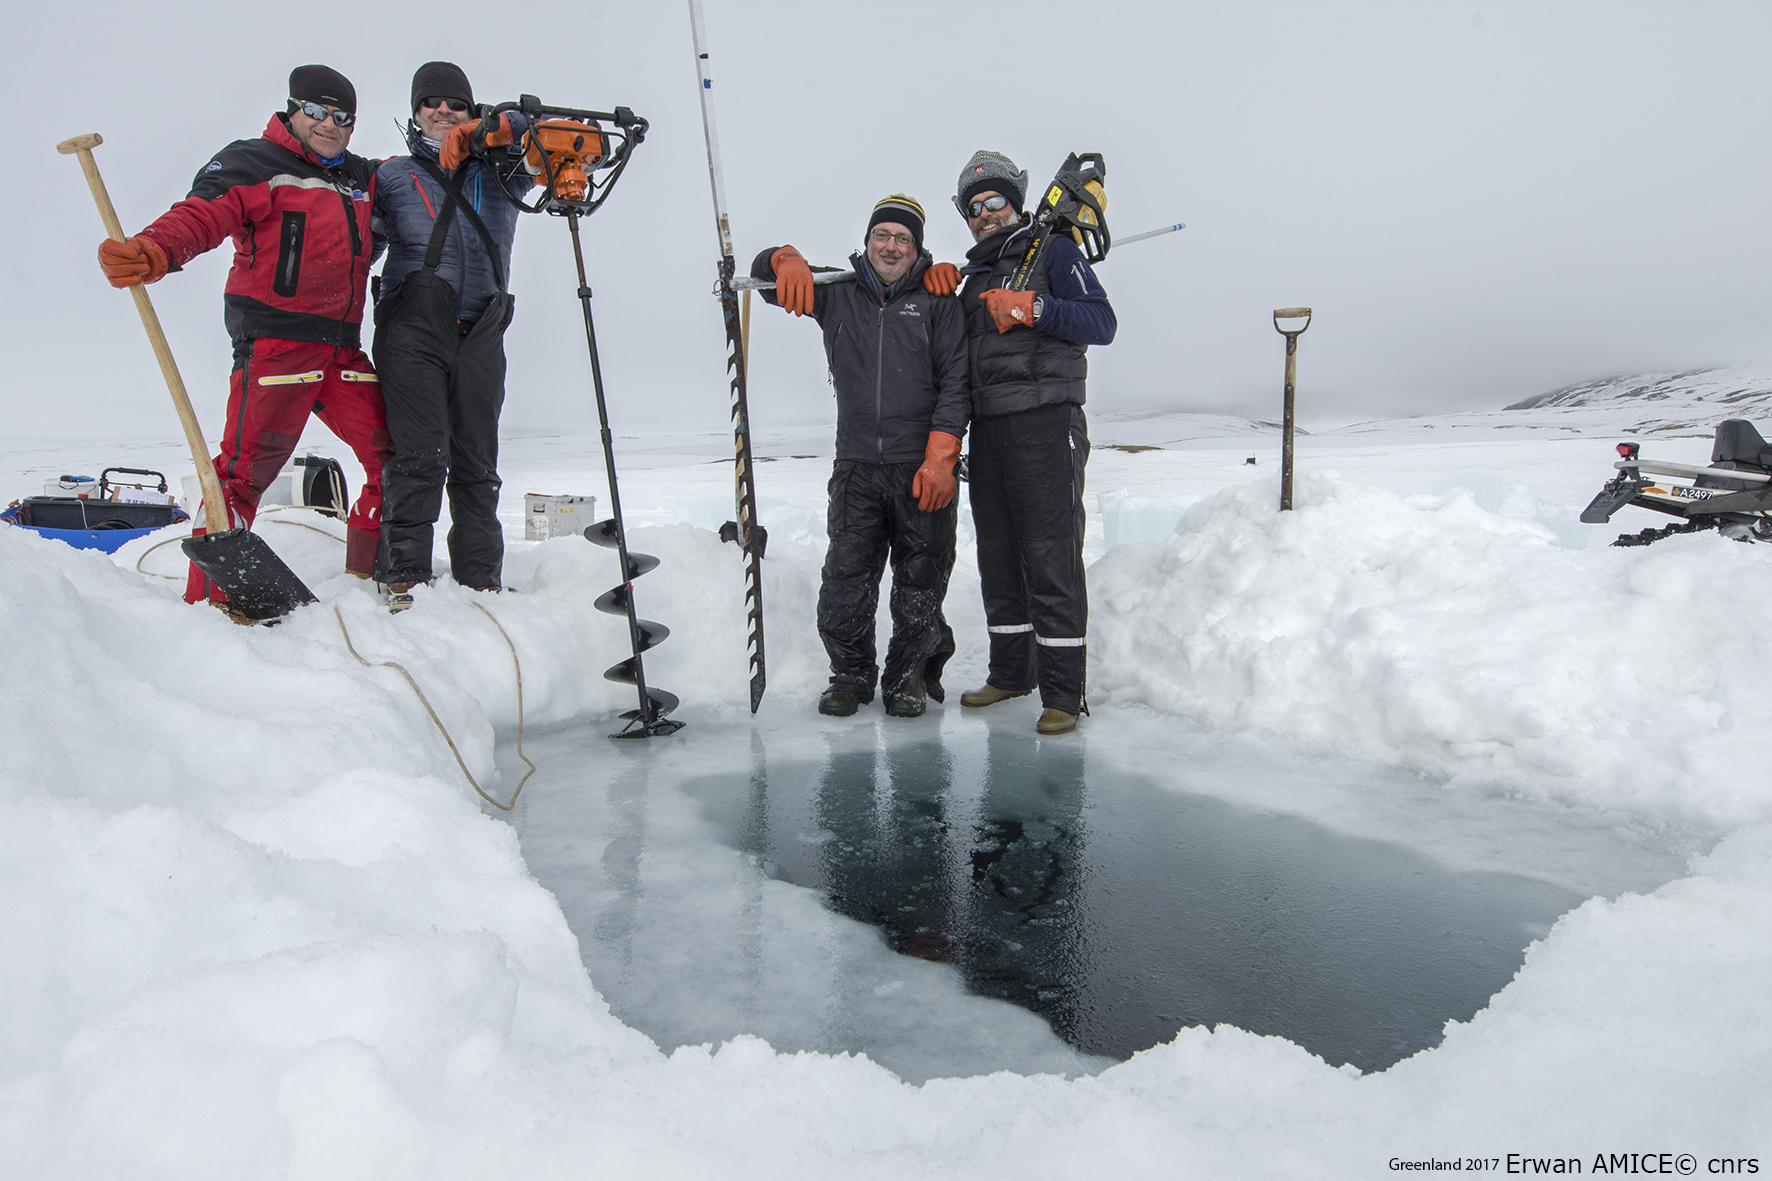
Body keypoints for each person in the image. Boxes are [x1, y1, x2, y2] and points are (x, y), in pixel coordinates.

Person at [97, 65, 392, 609]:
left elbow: (420, 176)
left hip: (342, 351)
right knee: (240, 479)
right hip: (278, 347)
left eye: (343, 117)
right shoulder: (254, 161)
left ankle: (367, 580)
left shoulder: (362, 177)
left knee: (394, 462)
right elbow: (202, 214)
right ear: (293, 110)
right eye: (317, 111)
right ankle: (210, 606)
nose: (330, 124)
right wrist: (155, 249)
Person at [753, 194, 970, 717]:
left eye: (904, 239)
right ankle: (849, 676)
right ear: (868, 240)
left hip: (922, 467)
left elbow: (957, 382)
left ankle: (908, 677)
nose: (891, 246)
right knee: (846, 580)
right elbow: (761, 281)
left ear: (916, 247)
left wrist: (943, 452)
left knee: (921, 580)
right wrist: (783, 258)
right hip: (855, 467)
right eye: (882, 235)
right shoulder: (837, 292)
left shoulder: (938, 301)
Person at [935, 150, 1117, 735]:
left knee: (1050, 555)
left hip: (1047, 422)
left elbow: (1102, 322)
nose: (985, 214)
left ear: (1015, 203)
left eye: (995, 201)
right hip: (990, 432)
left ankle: (1063, 693)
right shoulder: (973, 279)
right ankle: (1012, 673)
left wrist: (1033, 306)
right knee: (999, 557)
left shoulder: (1056, 251)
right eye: (973, 208)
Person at [370, 62, 529, 610]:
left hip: (483, 325)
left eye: (456, 104)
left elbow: (560, 133)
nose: (442, 111)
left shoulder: (507, 173)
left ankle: (480, 578)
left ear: (472, 110)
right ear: (414, 112)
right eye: (430, 102)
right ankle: (405, 574)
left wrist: (495, 128)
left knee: (477, 459)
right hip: (413, 323)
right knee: (420, 454)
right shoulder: (391, 175)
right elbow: (356, 247)